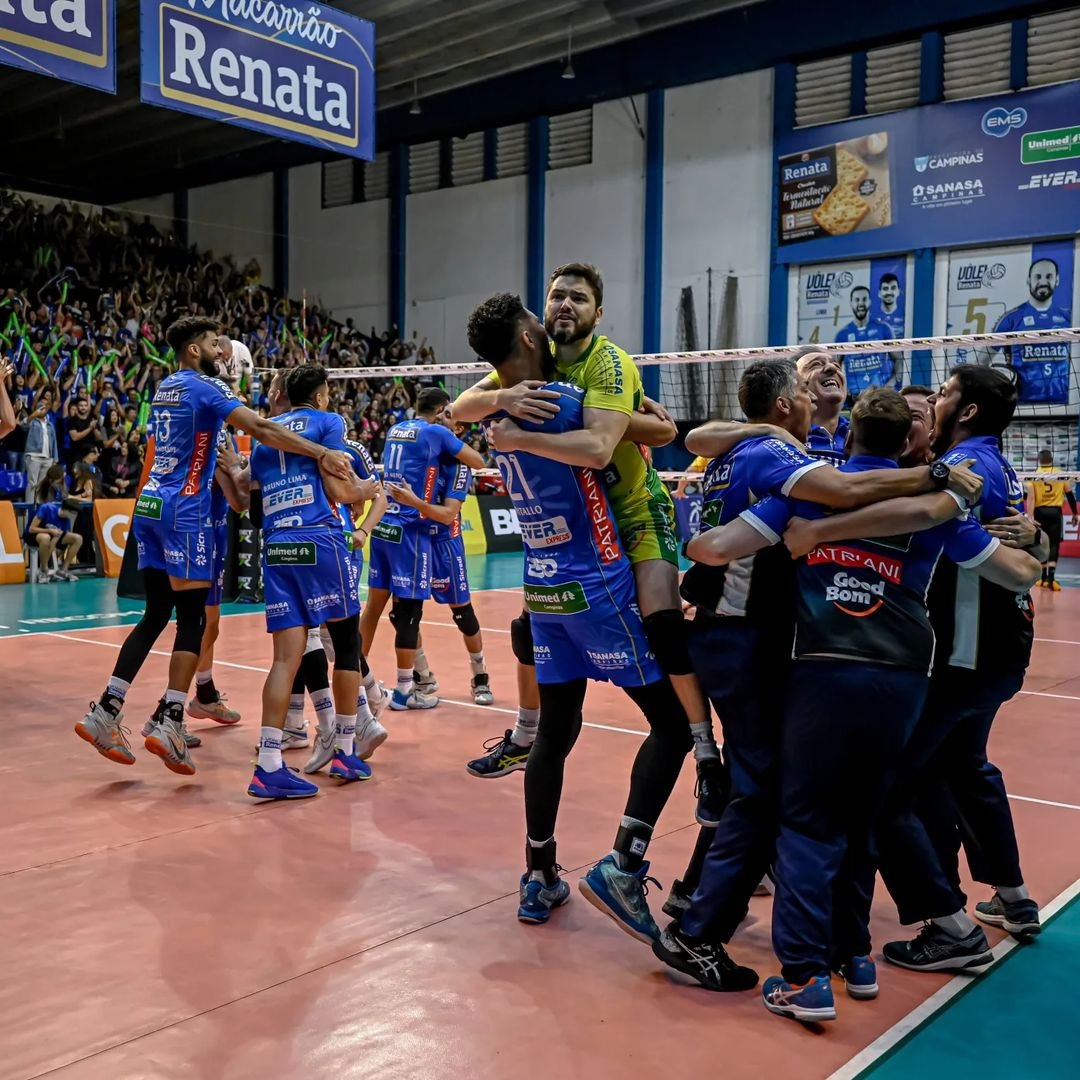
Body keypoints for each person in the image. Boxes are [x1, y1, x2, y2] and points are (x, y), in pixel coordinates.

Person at [656, 388, 1040, 1023]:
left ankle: (805, 977)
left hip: (823, 670)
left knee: (804, 821)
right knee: (866, 814)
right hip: (905, 679)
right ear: (909, 443)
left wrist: (691, 527)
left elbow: (716, 548)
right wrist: (1029, 540)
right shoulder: (935, 505)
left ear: (850, 436)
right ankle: (854, 956)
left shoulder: (808, 490)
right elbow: (1019, 574)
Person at [466, 292, 725, 951]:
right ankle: (626, 860)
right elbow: (643, 438)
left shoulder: (498, 408)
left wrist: (502, 417)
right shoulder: (560, 401)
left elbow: (459, 405)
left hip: (544, 590)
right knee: (668, 721)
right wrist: (647, 421)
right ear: (529, 334)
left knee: (556, 732)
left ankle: (538, 871)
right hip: (597, 581)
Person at [784, 366, 1049, 968]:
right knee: (959, 768)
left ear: (965, 412)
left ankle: (946, 923)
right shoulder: (968, 464)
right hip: (980, 651)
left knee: (889, 788)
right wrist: (1037, 545)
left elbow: (927, 518)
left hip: (962, 652)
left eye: (944, 395)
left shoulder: (964, 470)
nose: (934, 400)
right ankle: (1009, 898)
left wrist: (822, 530)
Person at [74, 316, 355, 777]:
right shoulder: (205, 389)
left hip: (149, 505)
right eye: (212, 344)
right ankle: (169, 718)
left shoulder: (164, 388)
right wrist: (320, 452)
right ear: (192, 351)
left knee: (156, 614)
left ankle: (107, 709)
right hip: (186, 512)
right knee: (192, 621)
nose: (220, 351)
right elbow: (262, 430)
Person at [247, 364, 380, 799]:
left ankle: (268, 763)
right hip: (320, 541)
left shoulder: (263, 436)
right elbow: (341, 494)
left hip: (278, 545)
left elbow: (250, 496)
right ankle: (344, 748)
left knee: (285, 659)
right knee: (345, 643)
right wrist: (372, 489)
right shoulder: (328, 422)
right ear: (321, 395)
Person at [360, 387, 484, 711]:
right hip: (414, 532)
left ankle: (357, 675)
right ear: (443, 410)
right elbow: (479, 459)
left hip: (405, 531)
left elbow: (449, 509)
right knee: (407, 613)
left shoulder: (397, 429)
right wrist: (416, 502)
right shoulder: (435, 436)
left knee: (379, 609)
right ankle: (409, 687)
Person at [183, 431, 250, 735]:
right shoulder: (218, 433)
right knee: (201, 625)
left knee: (208, 623)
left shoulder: (189, 424)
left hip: (191, 526)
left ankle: (205, 693)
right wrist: (241, 469)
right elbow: (239, 502)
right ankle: (168, 710)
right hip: (204, 532)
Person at [985, 258, 1071, 404]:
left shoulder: (1069, 318)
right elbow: (981, 362)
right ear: (1028, 280)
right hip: (1022, 408)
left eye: (1048, 276)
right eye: (1038, 277)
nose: (1043, 281)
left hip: (1065, 408)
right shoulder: (1011, 319)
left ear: (1057, 280)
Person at [835, 286, 902, 394]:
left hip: (880, 395)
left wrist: (891, 383)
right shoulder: (842, 335)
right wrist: (842, 389)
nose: (861, 303)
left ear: (870, 302)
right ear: (851, 303)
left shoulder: (883, 328)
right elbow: (835, 367)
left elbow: (898, 359)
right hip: (854, 398)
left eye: (864, 299)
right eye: (857, 300)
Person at [1027, 449, 1077, 590]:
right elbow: (1070, 495)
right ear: (1052, 460)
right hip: (1055, 511)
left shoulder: (1033, 475)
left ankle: (1042, 578)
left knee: (1041, 544)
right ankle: (1051, 579)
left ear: (1039, 460)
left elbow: (1031, 498)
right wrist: (1075, 514)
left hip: (1040, 512)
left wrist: (1030, 517)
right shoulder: (1060, 473)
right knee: (1054, 544)